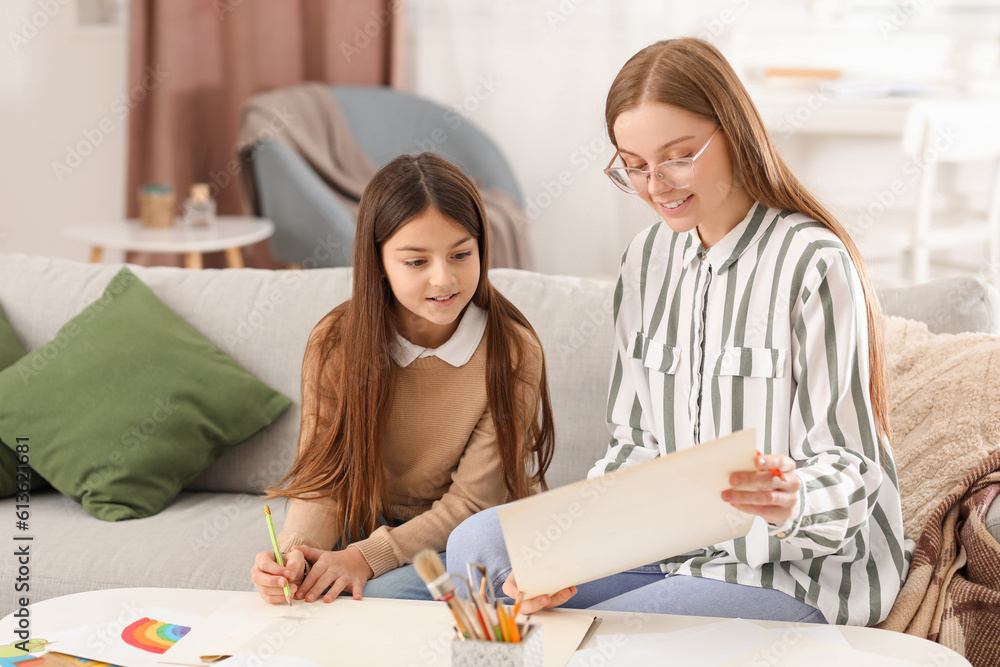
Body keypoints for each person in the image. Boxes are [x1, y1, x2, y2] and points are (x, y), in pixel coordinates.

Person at [446, 37, 910, 626]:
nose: (656, 185)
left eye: (679, 156)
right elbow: (633, 441)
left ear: (736, 133)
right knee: (477, 552)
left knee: (626, 635)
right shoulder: (645, 261)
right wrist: (572, 554)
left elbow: (850, 461)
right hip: (666, 549)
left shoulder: (812, 261)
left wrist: (792, 499)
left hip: (792, 568)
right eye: (635, 166)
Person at [251, 152, 555, 605]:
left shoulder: (511, 352)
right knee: (310, 595)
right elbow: (324, 480)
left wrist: (365, 558)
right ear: (378, 262)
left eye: (461, 254)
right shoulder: (336, 343)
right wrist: (295, 556)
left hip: (474, 537)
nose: (443, 278)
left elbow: (473, 504)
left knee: (375, 600)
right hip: (369, 527)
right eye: (416, 262)